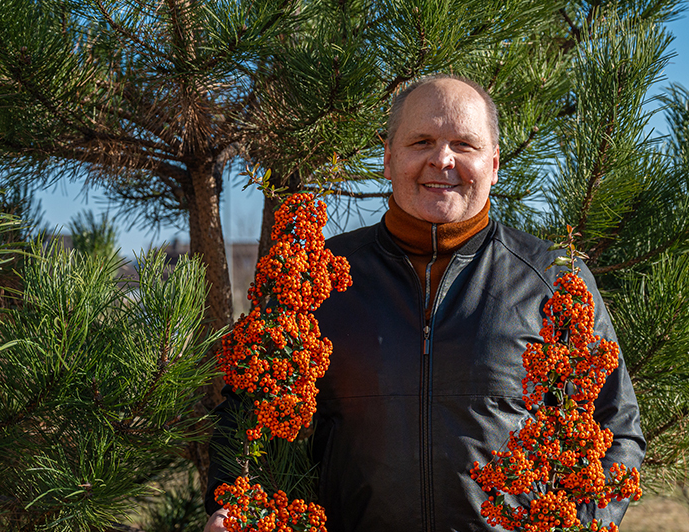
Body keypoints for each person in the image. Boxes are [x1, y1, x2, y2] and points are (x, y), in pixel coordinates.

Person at [204, 74, 645, 532]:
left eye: (464, 144)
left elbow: (616, 427)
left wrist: (577, 524)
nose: (442, 159)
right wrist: (234, 506)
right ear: (388, 157)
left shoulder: (552, 279)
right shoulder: (318, 277)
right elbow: (245, 413)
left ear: (494, 164)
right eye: (422, 142)